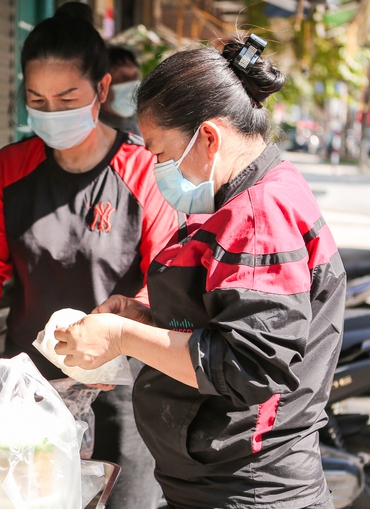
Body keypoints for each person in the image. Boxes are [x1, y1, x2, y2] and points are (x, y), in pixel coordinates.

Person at [55, 36, 345, 509]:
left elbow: (249, 365)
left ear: (208, 138)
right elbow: (219, 318)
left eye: (162, 154)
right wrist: (142, 315)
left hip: (249, 489)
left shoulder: (258, 213)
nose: (157, 169)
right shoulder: (242, 197)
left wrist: (123, 338)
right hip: (216, 484)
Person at [0, 6, 175, 509]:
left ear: (101, 91)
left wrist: (119, 334)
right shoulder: (10, 168)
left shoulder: (142, 169)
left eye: (67, 98)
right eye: (38, 100)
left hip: (119, 392)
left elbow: (165, 278)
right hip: (26, 392)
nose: (52, 113)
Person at [100, 47, 142, 135]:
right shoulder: (90, 127)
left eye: (135, 76)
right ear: (102, 84)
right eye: (122, 77)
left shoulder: (135, 129)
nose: (131, 83)